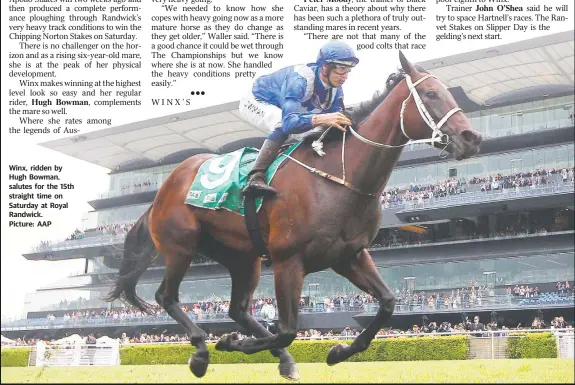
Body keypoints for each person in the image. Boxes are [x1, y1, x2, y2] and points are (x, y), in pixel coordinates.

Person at [239, 40, 359, 196]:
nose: (345, 76)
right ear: (325, 67)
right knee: (281, 124)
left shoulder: (336, 90)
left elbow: (335, 122)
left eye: (348, 70)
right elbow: (289, 125)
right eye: (342, 69)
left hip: (285, 107)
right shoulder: (299, 81)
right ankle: (255, 176)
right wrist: (322, 119)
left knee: (323, 127)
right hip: (257, 101)